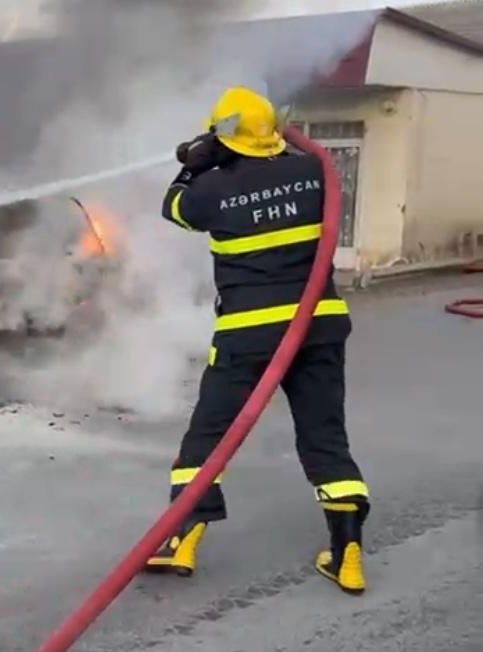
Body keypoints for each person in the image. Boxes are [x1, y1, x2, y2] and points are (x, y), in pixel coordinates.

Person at [143, 87, 369, 595]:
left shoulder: (210, 187)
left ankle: (181, 540)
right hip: (319, 327)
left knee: (208, 437)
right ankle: (347, 553)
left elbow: (174, 208)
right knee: (326, 438)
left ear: (222, 136)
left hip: (248, 334)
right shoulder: (316, 172)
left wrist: (196, 163)